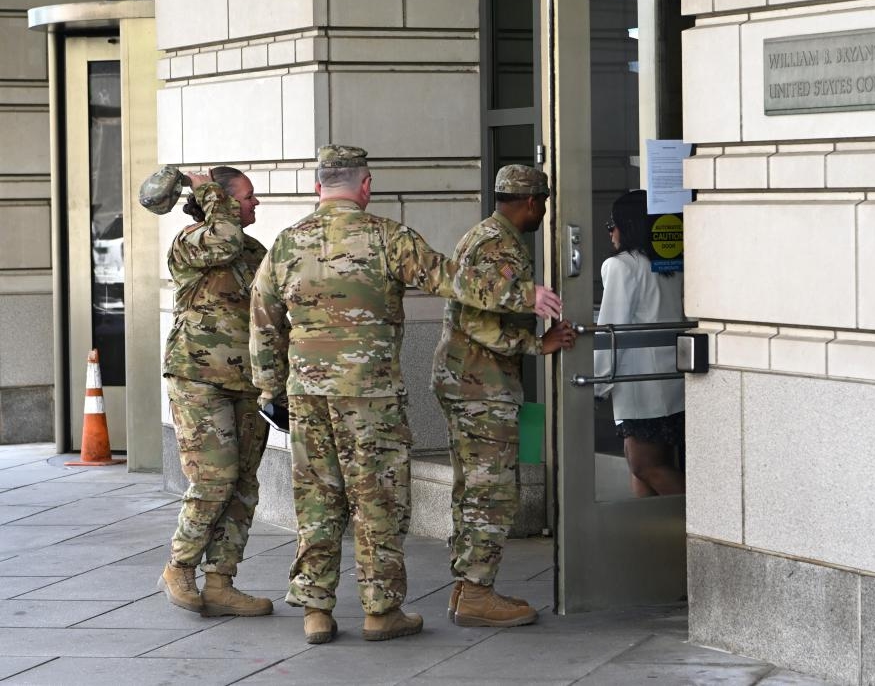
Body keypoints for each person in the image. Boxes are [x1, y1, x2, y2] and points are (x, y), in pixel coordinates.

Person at [248, 145, 563, 645]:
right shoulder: (386, 237)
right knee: (379, 502)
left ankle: (316, 611)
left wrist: (269, 388)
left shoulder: (285, 244)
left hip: (307, 395)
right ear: (366, 186)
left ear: (318, 187)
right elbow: (449, 278)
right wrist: (524, 295)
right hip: (369, 397)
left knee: (317, 499)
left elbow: (264, 320)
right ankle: (380, 611)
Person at [432, 165, 575, 628]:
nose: (545, 211)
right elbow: (476, 320)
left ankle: (464, 587)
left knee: (471, 488)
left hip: (468, 383)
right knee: (491, 492)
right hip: (481, 387)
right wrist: (538, 344)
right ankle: (477, 593)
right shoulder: (499, 245)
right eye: (545, 203)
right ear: (532, 203)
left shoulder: (484, 235)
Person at [159, 167, 273, 617]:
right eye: (247, 196)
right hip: (198, 379)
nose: (255, 203)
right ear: (217, 202)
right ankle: (180, 566)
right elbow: (221, 239)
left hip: (248, 382)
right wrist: (206, 188)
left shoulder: (254, 250)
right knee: (213, 480)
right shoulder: (193, 242)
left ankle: (222, 581)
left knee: (244, 483)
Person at [595, 190, 685, 497]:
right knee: (647, 466)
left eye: (613, 223)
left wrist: (597, 381)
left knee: (644, 464)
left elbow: (611, 328)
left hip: (641, 383)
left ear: (628, 225)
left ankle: (705, 524)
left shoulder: (622, 266)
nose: (610, 231)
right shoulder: (668, 262)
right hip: (671, 379)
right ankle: (649, 539)